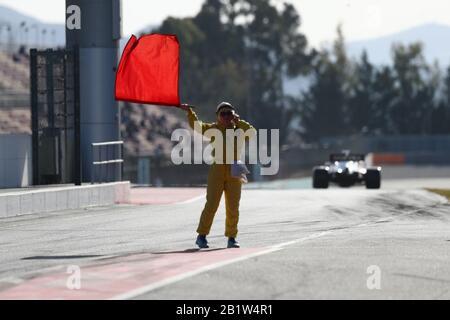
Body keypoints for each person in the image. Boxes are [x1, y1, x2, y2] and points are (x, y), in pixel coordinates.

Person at [179, 102, 255, 248]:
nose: (226, 116)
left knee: (233, 206)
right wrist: (189, 112)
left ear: (234, 115)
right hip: (217, 169)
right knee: (212, 204)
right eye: (223, 113)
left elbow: (252, 132)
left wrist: (239, 122)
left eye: (229, 113)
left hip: (235, 168)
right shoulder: (214, 129)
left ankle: (232, 238)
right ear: (218, 116)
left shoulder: (239, 129)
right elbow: (197, 126)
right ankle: (201, 236)